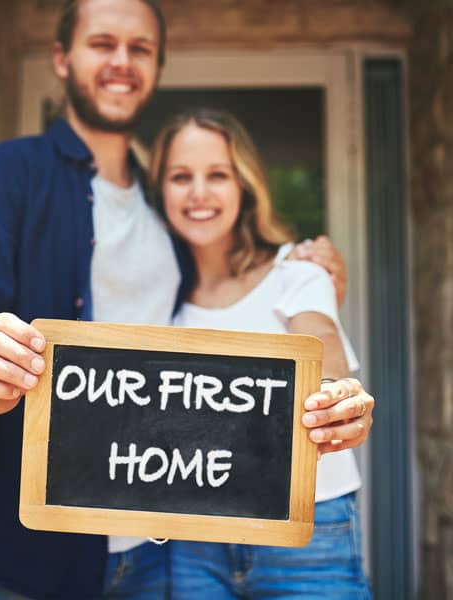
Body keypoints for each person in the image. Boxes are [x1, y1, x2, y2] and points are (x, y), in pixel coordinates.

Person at [0, 1, 369, 598]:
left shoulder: (169, 214)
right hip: (21, 549)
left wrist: (315, 276)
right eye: (103, 43)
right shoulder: (6, 173)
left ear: (156, 67)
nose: (121, 62)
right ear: (61, 57)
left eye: (140, 48)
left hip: (157, 550)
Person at [110, 107, 372, 599]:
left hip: (305, 532)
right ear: (159, 190)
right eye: (181, 177)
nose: (200, 193)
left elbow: (327, 366)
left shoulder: (297, 273)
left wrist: (341, 404)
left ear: (245, 186)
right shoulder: (158, 302)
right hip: (196, 538)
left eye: (218, 175)